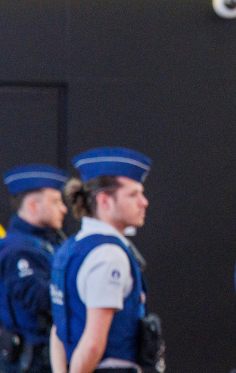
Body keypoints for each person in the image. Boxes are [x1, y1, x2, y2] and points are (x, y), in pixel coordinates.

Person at [49, 148, 154, 373]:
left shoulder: (69, 247)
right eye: (133, 194)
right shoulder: (109, 255)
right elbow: (93, 343)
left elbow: (58, 330)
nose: (144, 202)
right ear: (105, 201)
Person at [0, 164, 70, 373]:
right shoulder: (15, 249)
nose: (64, 209)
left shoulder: (51, 243)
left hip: (53, 356)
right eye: (56, 201)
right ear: (33, 206)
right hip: (31, 362)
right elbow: (40, 298)